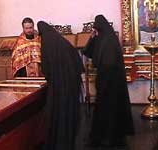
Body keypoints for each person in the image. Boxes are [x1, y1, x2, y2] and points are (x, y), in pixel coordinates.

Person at [82, 15, 134, 147]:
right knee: (106, 108)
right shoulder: (101, 38)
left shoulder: (110, 39)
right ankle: (107, 134)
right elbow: (87, 52)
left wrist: (103, 79)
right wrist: (92, 37)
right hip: (105, 79)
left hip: (112, 81)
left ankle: (111, 136)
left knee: (111, 108)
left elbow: (109, 63)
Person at [37, 21, 84, 150]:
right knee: (68, 111)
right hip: (71, 85)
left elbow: (46, 68)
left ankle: (59, 141)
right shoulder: (61, 40)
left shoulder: (46, 43)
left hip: (58, 87)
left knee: (59, 113)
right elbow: (78, 62)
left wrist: (50, 78)